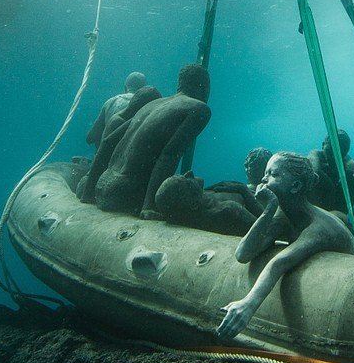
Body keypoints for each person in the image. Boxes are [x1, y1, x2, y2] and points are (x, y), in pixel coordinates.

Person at [217, 151, 354, 339]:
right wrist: (268, 210)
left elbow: (278, 263)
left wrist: (248, 305)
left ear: (295, 186)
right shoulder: (283, 215)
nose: (263, 179)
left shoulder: (318, 228)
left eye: (273, 174)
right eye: (266, 173)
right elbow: (243, 254)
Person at [78, 63, 211, 218]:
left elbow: (108, 141)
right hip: (126, 194)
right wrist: (149, 207)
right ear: (204, 87)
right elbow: (169, 155)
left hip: (102, 186)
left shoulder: (152, 104)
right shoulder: (199, 109)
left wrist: (88, 192)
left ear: (179, 84)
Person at [153, 172, 258, 236]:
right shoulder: (229, 210)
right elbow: (267, 229)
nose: (190, 173)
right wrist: (243, 190)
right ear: (193, 204)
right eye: (188, 181)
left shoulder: (195, 205)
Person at [85, 71, 148, 150]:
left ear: (125, 87)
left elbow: (91, 137)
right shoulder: (148, 104)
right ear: (144, 89)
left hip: (106, 154)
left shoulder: (110, 102)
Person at [307, 130, 354, 213]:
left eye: (341, 152)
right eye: (330, 150)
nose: (334, 156)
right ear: (323, 145)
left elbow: (341, 210)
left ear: (346, 151)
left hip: (332, 214)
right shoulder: (315, 157)